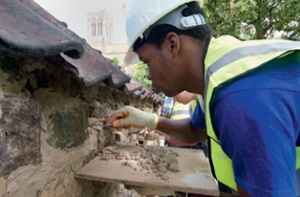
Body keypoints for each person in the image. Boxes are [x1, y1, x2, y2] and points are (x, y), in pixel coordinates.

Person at [107, 0, 300, 196]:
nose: (148, 75)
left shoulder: (239, 98)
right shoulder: (216, 73)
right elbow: (195, 131)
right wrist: (151, 120)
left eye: (147, 61)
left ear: (172, 44)